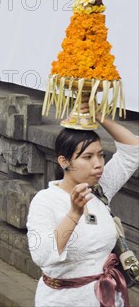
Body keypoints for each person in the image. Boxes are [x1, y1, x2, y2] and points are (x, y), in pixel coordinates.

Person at [27, 108, 139, 307]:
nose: (98, 164)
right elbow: (42, 254)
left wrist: (98, 116)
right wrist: (74, 214)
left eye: (101, 155)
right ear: (64, 162)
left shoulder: (99, 189)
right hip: (63, 301)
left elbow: (133, 149)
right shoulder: (45, 201)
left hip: (109, 298)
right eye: (87, 157)